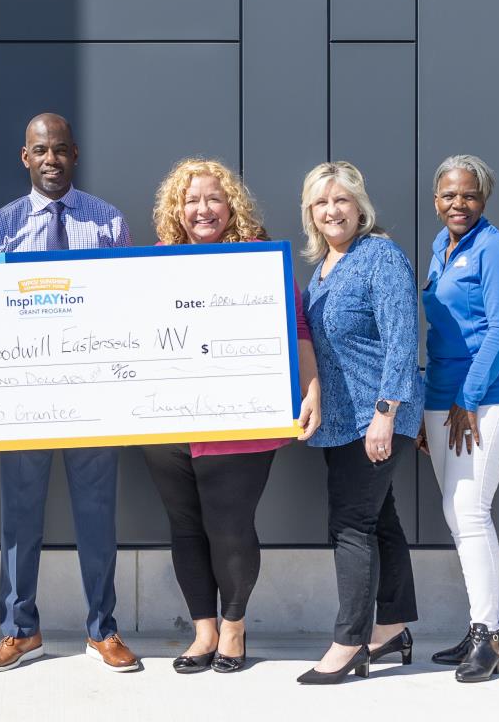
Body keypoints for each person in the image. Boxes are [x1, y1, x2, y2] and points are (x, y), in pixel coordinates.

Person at [142, 157, 321, 674]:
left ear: (231, 206)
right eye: (191, 200)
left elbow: (299, 329)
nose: (203, 209)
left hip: (240, 425)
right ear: (177, 209)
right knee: (185, 527)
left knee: (231, 527)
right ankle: (204, 631)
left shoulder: (258, 262)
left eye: (213, 198)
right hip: (166, 426)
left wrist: (311, 389)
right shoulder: (151, 266)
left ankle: (235, 626)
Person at [0, 113, 140, 673]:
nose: (51, 159)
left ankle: (103, 631)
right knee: (19, 519)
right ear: (26, 157)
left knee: (97, 517)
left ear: (75, 155)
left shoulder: (109, 221)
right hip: (24, 400)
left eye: (61, 150)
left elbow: (127, 306)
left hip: (94, 399)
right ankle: (20, 631)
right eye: (41, 150)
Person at [294, 161, 423, 685]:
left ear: (359, 206)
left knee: (351, 525)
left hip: (375, 416)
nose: (332, 210)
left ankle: (349, 643)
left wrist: (385, 414)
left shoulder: (381, 256)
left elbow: (402, 338)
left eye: (341, 200)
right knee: (379, 521)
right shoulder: (322, 266)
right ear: (310, 213)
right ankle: (390, 628)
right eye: (321, 203)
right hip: (340, 420)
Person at [419, 155, 499, 682]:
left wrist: (468, 395)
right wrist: (427, 405)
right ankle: (487, 622)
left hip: (488, 395)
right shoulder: (441, 248)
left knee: (469, 508)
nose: (457, 204)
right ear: (435, 199)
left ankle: (488, 636)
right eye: (448, 195)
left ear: (483, 199)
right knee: (455, 510)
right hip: (444, 396)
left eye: (469, 195)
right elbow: (438, 335)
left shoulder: (496, 248)